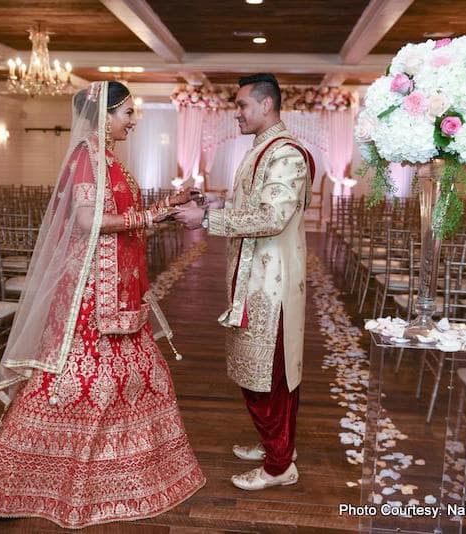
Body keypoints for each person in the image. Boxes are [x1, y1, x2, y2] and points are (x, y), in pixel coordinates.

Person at [0, 81, 205, 528]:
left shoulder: (110, 159)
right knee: (71, 382)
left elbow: (122, 223)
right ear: (104, 116)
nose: (133, 121)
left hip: (120, 286)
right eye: (127, 114)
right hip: (91, 292)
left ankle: (122, 472)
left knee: (131, 377)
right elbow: (86, 222)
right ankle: (20, 479)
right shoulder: (86, 157)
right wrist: (153, 215)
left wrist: (165, 207)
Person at [175, 73, 314, 491]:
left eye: (242, 106)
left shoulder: (285, 154)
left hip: (272, 287)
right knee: (258, 373)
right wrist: (220, 201)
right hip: (253, 278)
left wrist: (208, 220)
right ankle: (276, 445)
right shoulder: (263, 150)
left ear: (266, 105)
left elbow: (273, 217)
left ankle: (279, 465)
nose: (237, 113)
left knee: (270, 376)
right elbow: (257, 203)